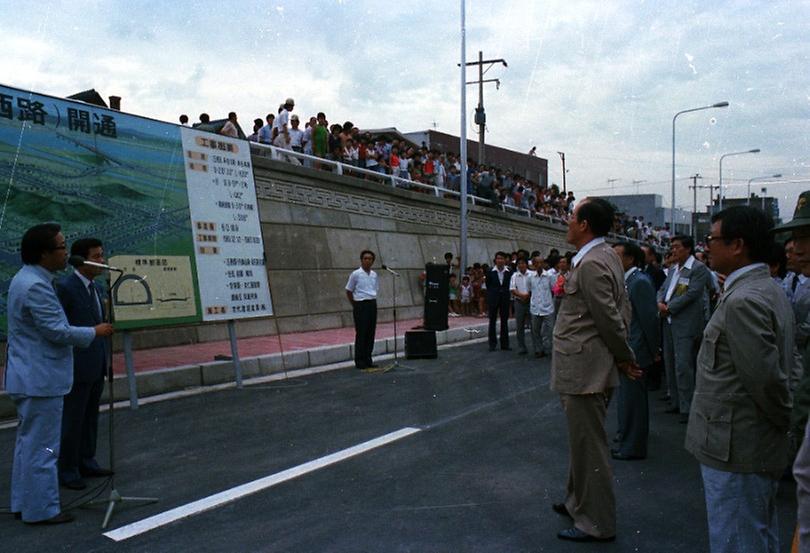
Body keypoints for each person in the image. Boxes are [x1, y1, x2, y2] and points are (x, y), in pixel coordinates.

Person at [686, 206, 793, 553]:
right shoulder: (765, 289)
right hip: (747, 444)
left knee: (736, 541)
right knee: (757, 535)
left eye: (712, 239)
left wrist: (779, 425)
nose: (707, 247)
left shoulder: (744, 300)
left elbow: (767, 382)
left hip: (737, 447)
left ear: (737, 245)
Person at [5, 223, 113, 524]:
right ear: (44, 254)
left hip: (30, 375)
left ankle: (24, 502)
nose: (66, 253)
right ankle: (42, 509)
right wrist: (95, 331)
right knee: (43, 448)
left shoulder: (26, 279)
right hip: (41, 378)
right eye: (62, 247)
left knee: (29, 445)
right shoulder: (37, 286)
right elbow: (56, 331)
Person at [550, 198, 639, 543]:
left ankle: (596, 522)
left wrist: (623, 357)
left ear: (585, 224)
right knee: (582, 442)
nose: (568, 222)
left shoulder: (591, 264)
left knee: (590, 446)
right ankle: (577, 501)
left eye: (572, 217)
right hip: (587, 365)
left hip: (585, 370)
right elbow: (621, 308)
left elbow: (610, 318)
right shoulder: (603, 257)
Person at [55, 238, 114, 491]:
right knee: (73, 418)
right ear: (81, 260)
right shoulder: (66, 288)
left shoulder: (97, 289)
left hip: (96, 362)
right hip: (77, 365)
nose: (102, 261)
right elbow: (62, 328)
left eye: (102, 255)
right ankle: (67, 469)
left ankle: (87, 460)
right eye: (97, 256)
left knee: (91, 416)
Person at [612, 242, 659, 461]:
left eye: (616, 256)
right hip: (628, 348)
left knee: (634, 401)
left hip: (637, 350)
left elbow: (649, 320)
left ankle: (633, 446)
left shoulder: (639, 282)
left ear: (630, 259)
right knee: (626, 400)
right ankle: (626, 438)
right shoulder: (627, 280)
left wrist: (654, 350)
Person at [657, 235, 711, 423]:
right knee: (670, 362)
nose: (673, 250)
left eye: (677, 247)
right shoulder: (673, 270)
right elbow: (662, 289)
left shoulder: (698, 269)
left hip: (685, 323)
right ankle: (675, 400)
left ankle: (688, 407)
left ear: (688, 249)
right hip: (668, 321)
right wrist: (659, 303)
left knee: (684, 365)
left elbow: (693, 294)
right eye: (672, 247)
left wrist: (669, 307)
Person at [345, 250, 379, 370]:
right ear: (361, 260)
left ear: (373, 261)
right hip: (360, 304)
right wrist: (355, 304)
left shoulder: (374, 275)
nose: (367, 260)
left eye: (370, 259)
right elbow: (349, 290)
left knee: (371, 332)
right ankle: (359, 360)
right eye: (365, 258)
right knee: (362, 333)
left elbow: (375, 289)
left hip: (372, 304)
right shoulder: (355, 274)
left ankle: (368, 359)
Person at [528, 254, 555, 358]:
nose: (539, 265)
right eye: (537, 263)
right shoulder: (530, 277)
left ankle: (553, 350)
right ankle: (539, 349)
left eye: (541, 263)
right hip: (535, 308)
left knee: (551, 331)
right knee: (535, 331)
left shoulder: (549, 276)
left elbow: (553, 290)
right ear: (533, 264)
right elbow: (530, 290)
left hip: (548, 308)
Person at [486, 252, 511, 352]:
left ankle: (505, 344)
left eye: (502, 258)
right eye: (498, 258)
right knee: (492, 321)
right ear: (495, 260)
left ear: (505, 260)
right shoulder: (490, 271)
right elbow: (488, 285)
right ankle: (492, 344)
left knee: (504, 321)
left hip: (505, 298)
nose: (500, 260)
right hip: (493, 298)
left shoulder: (509, 271)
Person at [510, 257, 532, 355]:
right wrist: (522, 296)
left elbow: (534, 287)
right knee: (519, 326)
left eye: (523, 263)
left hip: (531, 301)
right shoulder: (514, 276)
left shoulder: (532, 274)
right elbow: (512, 289)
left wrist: (528, 295)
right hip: (519, 302)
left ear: (526, 264)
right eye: (519, 263)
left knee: (534, 326)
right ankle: (521, 347)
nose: (521, 265)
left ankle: (537, 347)